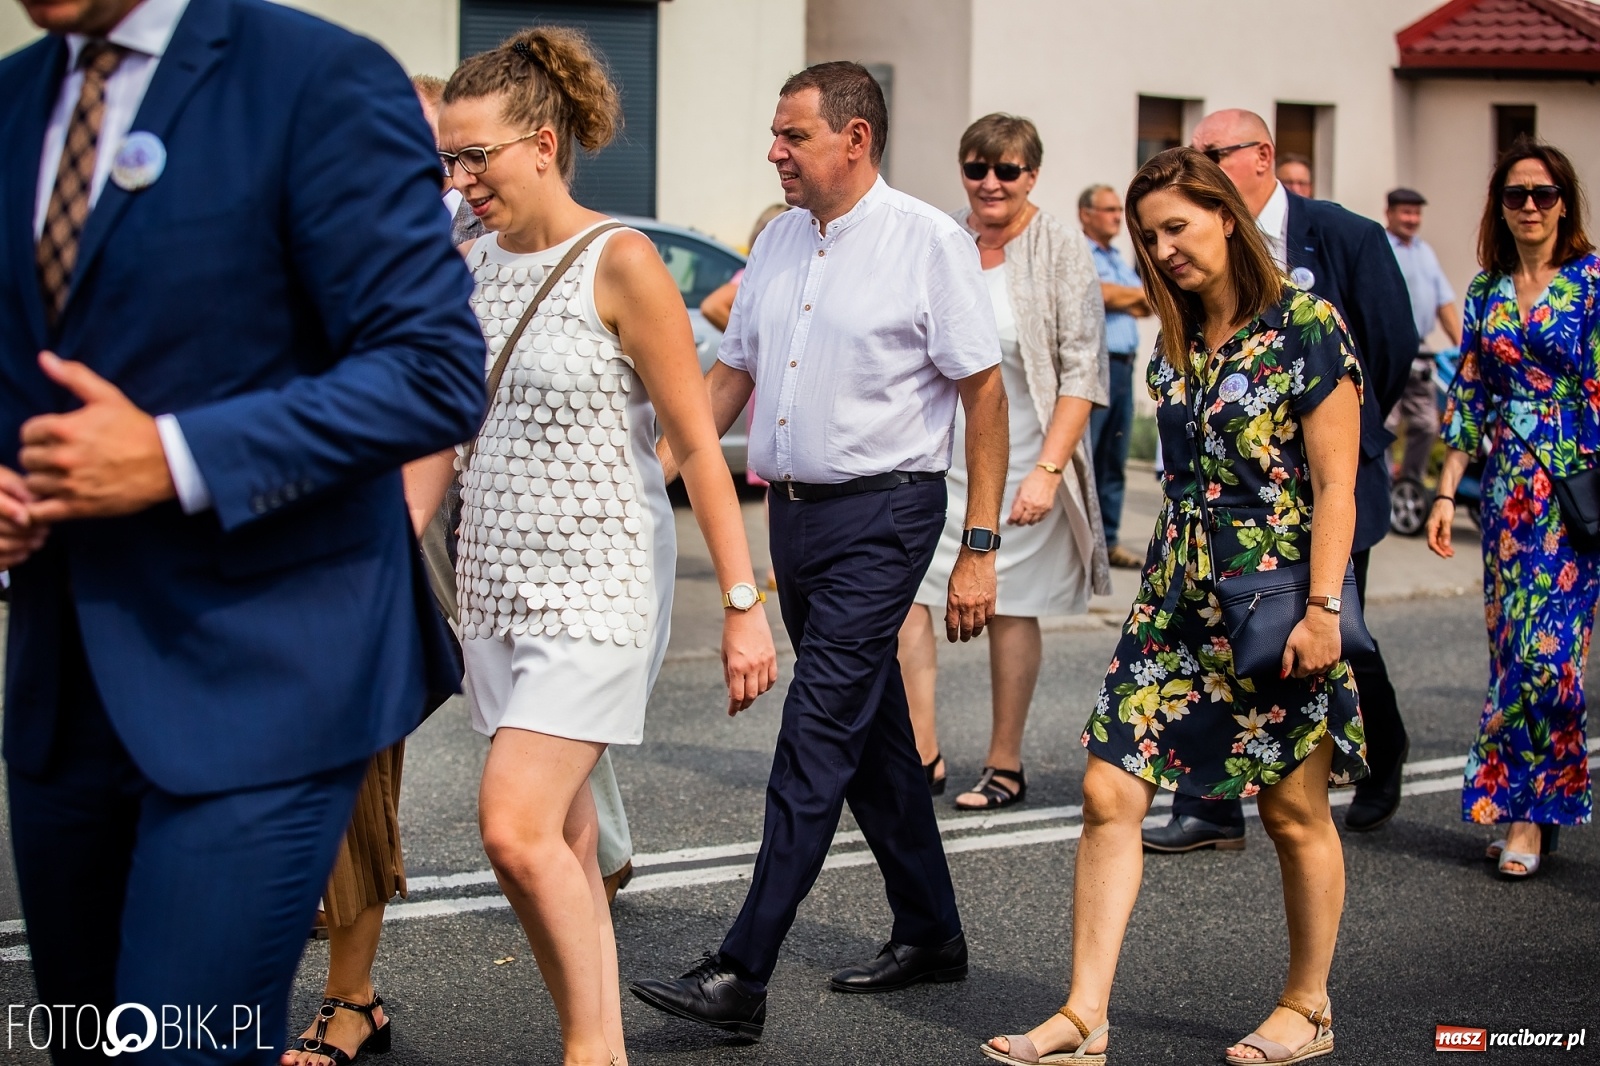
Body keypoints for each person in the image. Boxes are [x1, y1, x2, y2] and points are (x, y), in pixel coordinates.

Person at [0, 0, 484, 1063]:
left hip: (263, 674)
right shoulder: (12, 98)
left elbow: (433, 369)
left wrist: (176, 457)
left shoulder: (316, 79)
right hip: (60, 688)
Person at [409, 26, 778, 1066]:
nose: (461, 176)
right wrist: (389, 550)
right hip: (492, 584)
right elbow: (445, 427)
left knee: (512, 827)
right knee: (566, 840)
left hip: (598, 587)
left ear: (542, 141)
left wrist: (745, 608)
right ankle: (600, 1041)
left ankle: (589, 1052)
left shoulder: (622, 260)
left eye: (476, 153)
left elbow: (699, 448)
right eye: (450, 155)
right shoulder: (466, 265)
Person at [631, 61, 1007, 1041]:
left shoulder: (928, 242)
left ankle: (740, 972)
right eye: (775, 134)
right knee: (872, 732)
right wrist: (646, 471)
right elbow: (732, 378)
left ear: (855, 139)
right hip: (791, 518)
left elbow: (984, 397)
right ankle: (931, 930)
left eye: (792, 136)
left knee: (816, 733)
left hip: (884, 517)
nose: (774, 152)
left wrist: (979, 545)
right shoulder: (781, 241)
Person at [983, 145, 1366, 1066]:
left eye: (1178, 228)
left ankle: (1308, 1006)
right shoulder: (1178, 336)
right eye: (1151, 236)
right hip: (1177, 601)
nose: (1163, 249)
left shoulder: (1305, 325)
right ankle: (1083, 1017)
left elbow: (1336, 484)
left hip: (1273, 601)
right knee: (1107, 788)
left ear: (1227, 217)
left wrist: (1321, 610)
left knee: (1291, 812)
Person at [1143, 108, 1414, 851]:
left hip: (1323, 485)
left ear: (1262, 156)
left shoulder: (1343, 234)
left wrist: (1332, 433)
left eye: (1214, 153)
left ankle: (1381, 755)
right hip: (1218, 510)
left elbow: (1389, 343)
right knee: (1218, 641)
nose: (1197, 165)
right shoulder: (1183, 267)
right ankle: (1209, 806)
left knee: (1329, 628)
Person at [898, 114, 1109, 808]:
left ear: (1032, 176)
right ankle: (920, 753)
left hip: (1024, 461)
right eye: (976, 168)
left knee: (1012, 609)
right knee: (910, 602)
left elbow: (1083, 368)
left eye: (1007, 171)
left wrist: (1048, 471)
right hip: (937, 458)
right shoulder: (945, 237)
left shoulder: (1059, 247)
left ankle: (1005, 762)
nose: (990, 183)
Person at [1426, 138, 1597, 879]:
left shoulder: (1593, 283)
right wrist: (1443, 490)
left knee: (1550, 660)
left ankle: (1532, 814)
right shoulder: (1486, 290)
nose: (1530, 206)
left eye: (1544, 193)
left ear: (1566, 204)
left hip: (1575, 489)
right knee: (1509, 657)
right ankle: (1516, 807)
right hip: (1506, 496)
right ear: (1499, 206)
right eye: (1516, 195)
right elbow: (1469, 394)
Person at [1082, 182, 1153, 571]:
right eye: (1108, 210)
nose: (1115, 217)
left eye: (1116, 210)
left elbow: (1149, 302)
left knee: (1114, 457)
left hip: (1124, 365)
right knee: (1088, 457)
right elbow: (1099, 294)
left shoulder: (1117, 257)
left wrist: (1126, 296)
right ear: (1085, 214)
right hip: (1096, 362)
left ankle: (1107, 541)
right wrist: (1128, 297)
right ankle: (1080, 543)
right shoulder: (1080, 252)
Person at [1384, 187, 1462, 485]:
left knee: (1428, 423)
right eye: (1406, 212)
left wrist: (1461, 346)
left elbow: (1444, 302)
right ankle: (1385, 490)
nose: (1412, 219)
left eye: (1416, 213)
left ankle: (1410, 485)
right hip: (1388, 350)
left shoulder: (1425, 252)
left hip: (1421, 351)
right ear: (1389, 213)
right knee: (1386, 424)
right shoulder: (1381, 246)